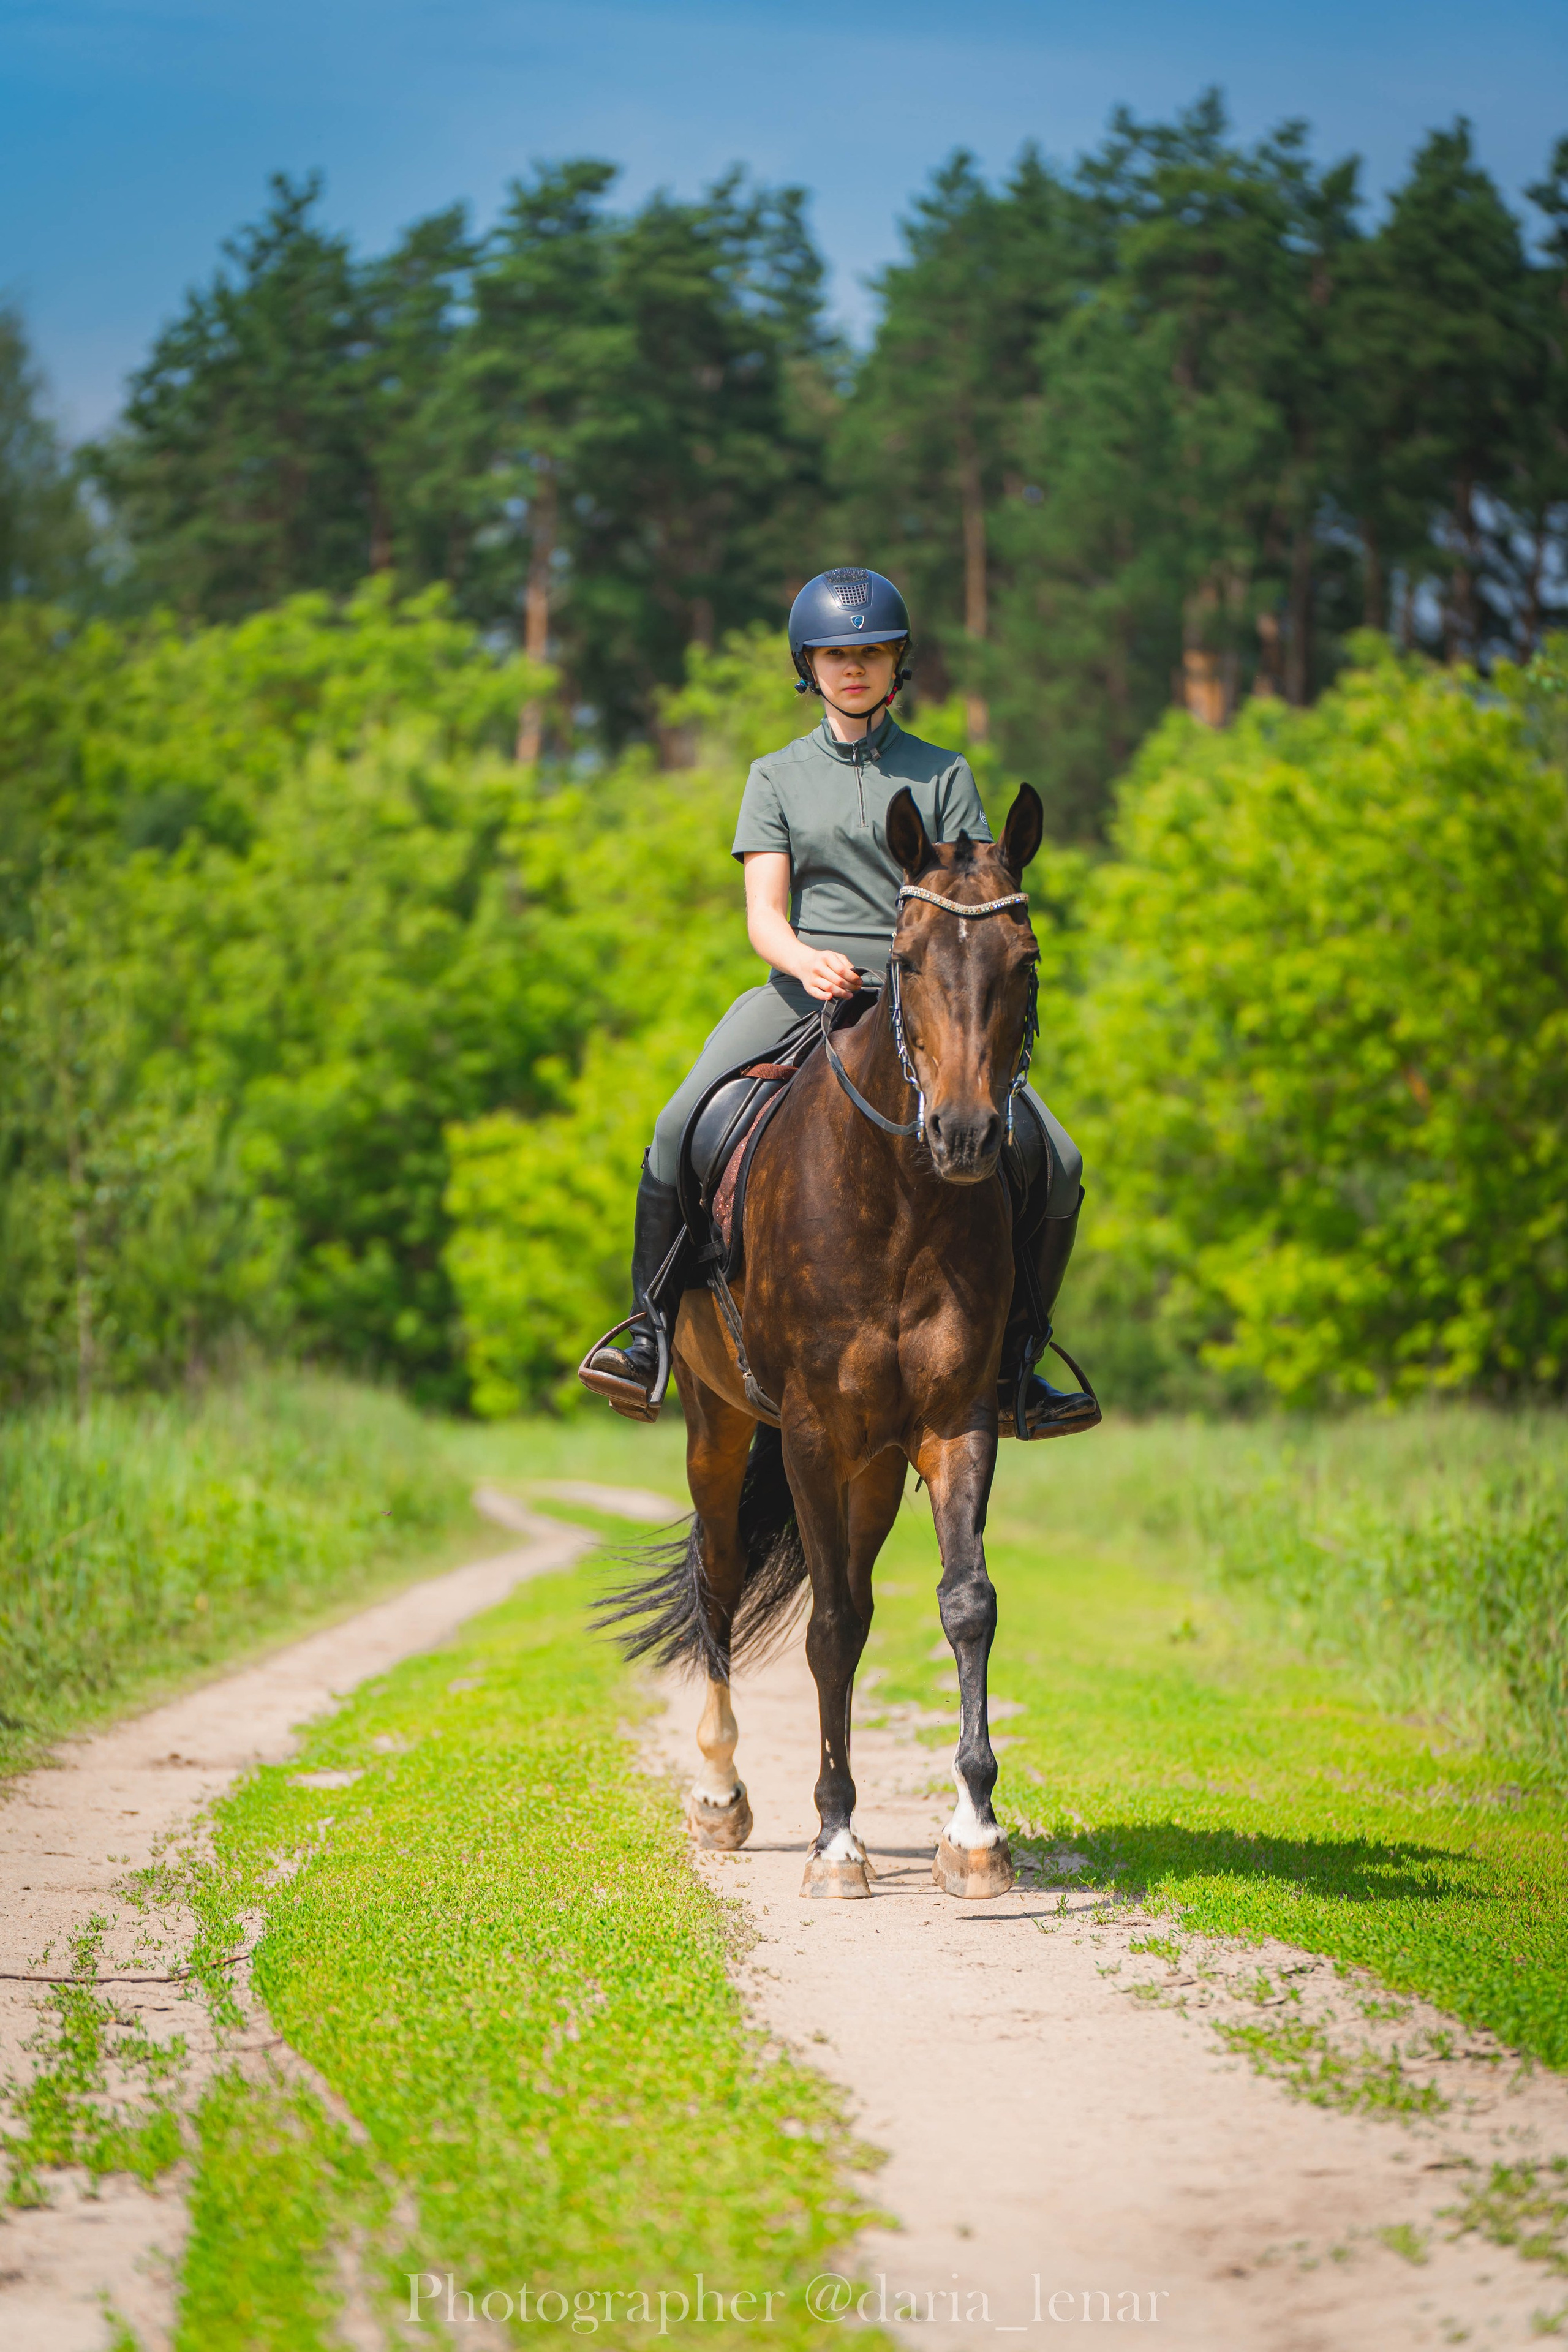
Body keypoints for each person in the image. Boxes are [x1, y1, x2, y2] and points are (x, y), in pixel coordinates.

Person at [579, 565, 1097, 1439]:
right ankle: (648, 1338)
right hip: (805, 988)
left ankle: (1018, 1362)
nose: (853, 669)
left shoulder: (945, 773)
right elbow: (763, 913)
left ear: (898, 665)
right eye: (835, 656)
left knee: (1063, 1160)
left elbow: (974, 896)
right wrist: (804, 960)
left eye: (871, 654)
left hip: (925, 999)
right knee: (675, 1126)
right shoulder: (775, 776)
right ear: (808, 667)